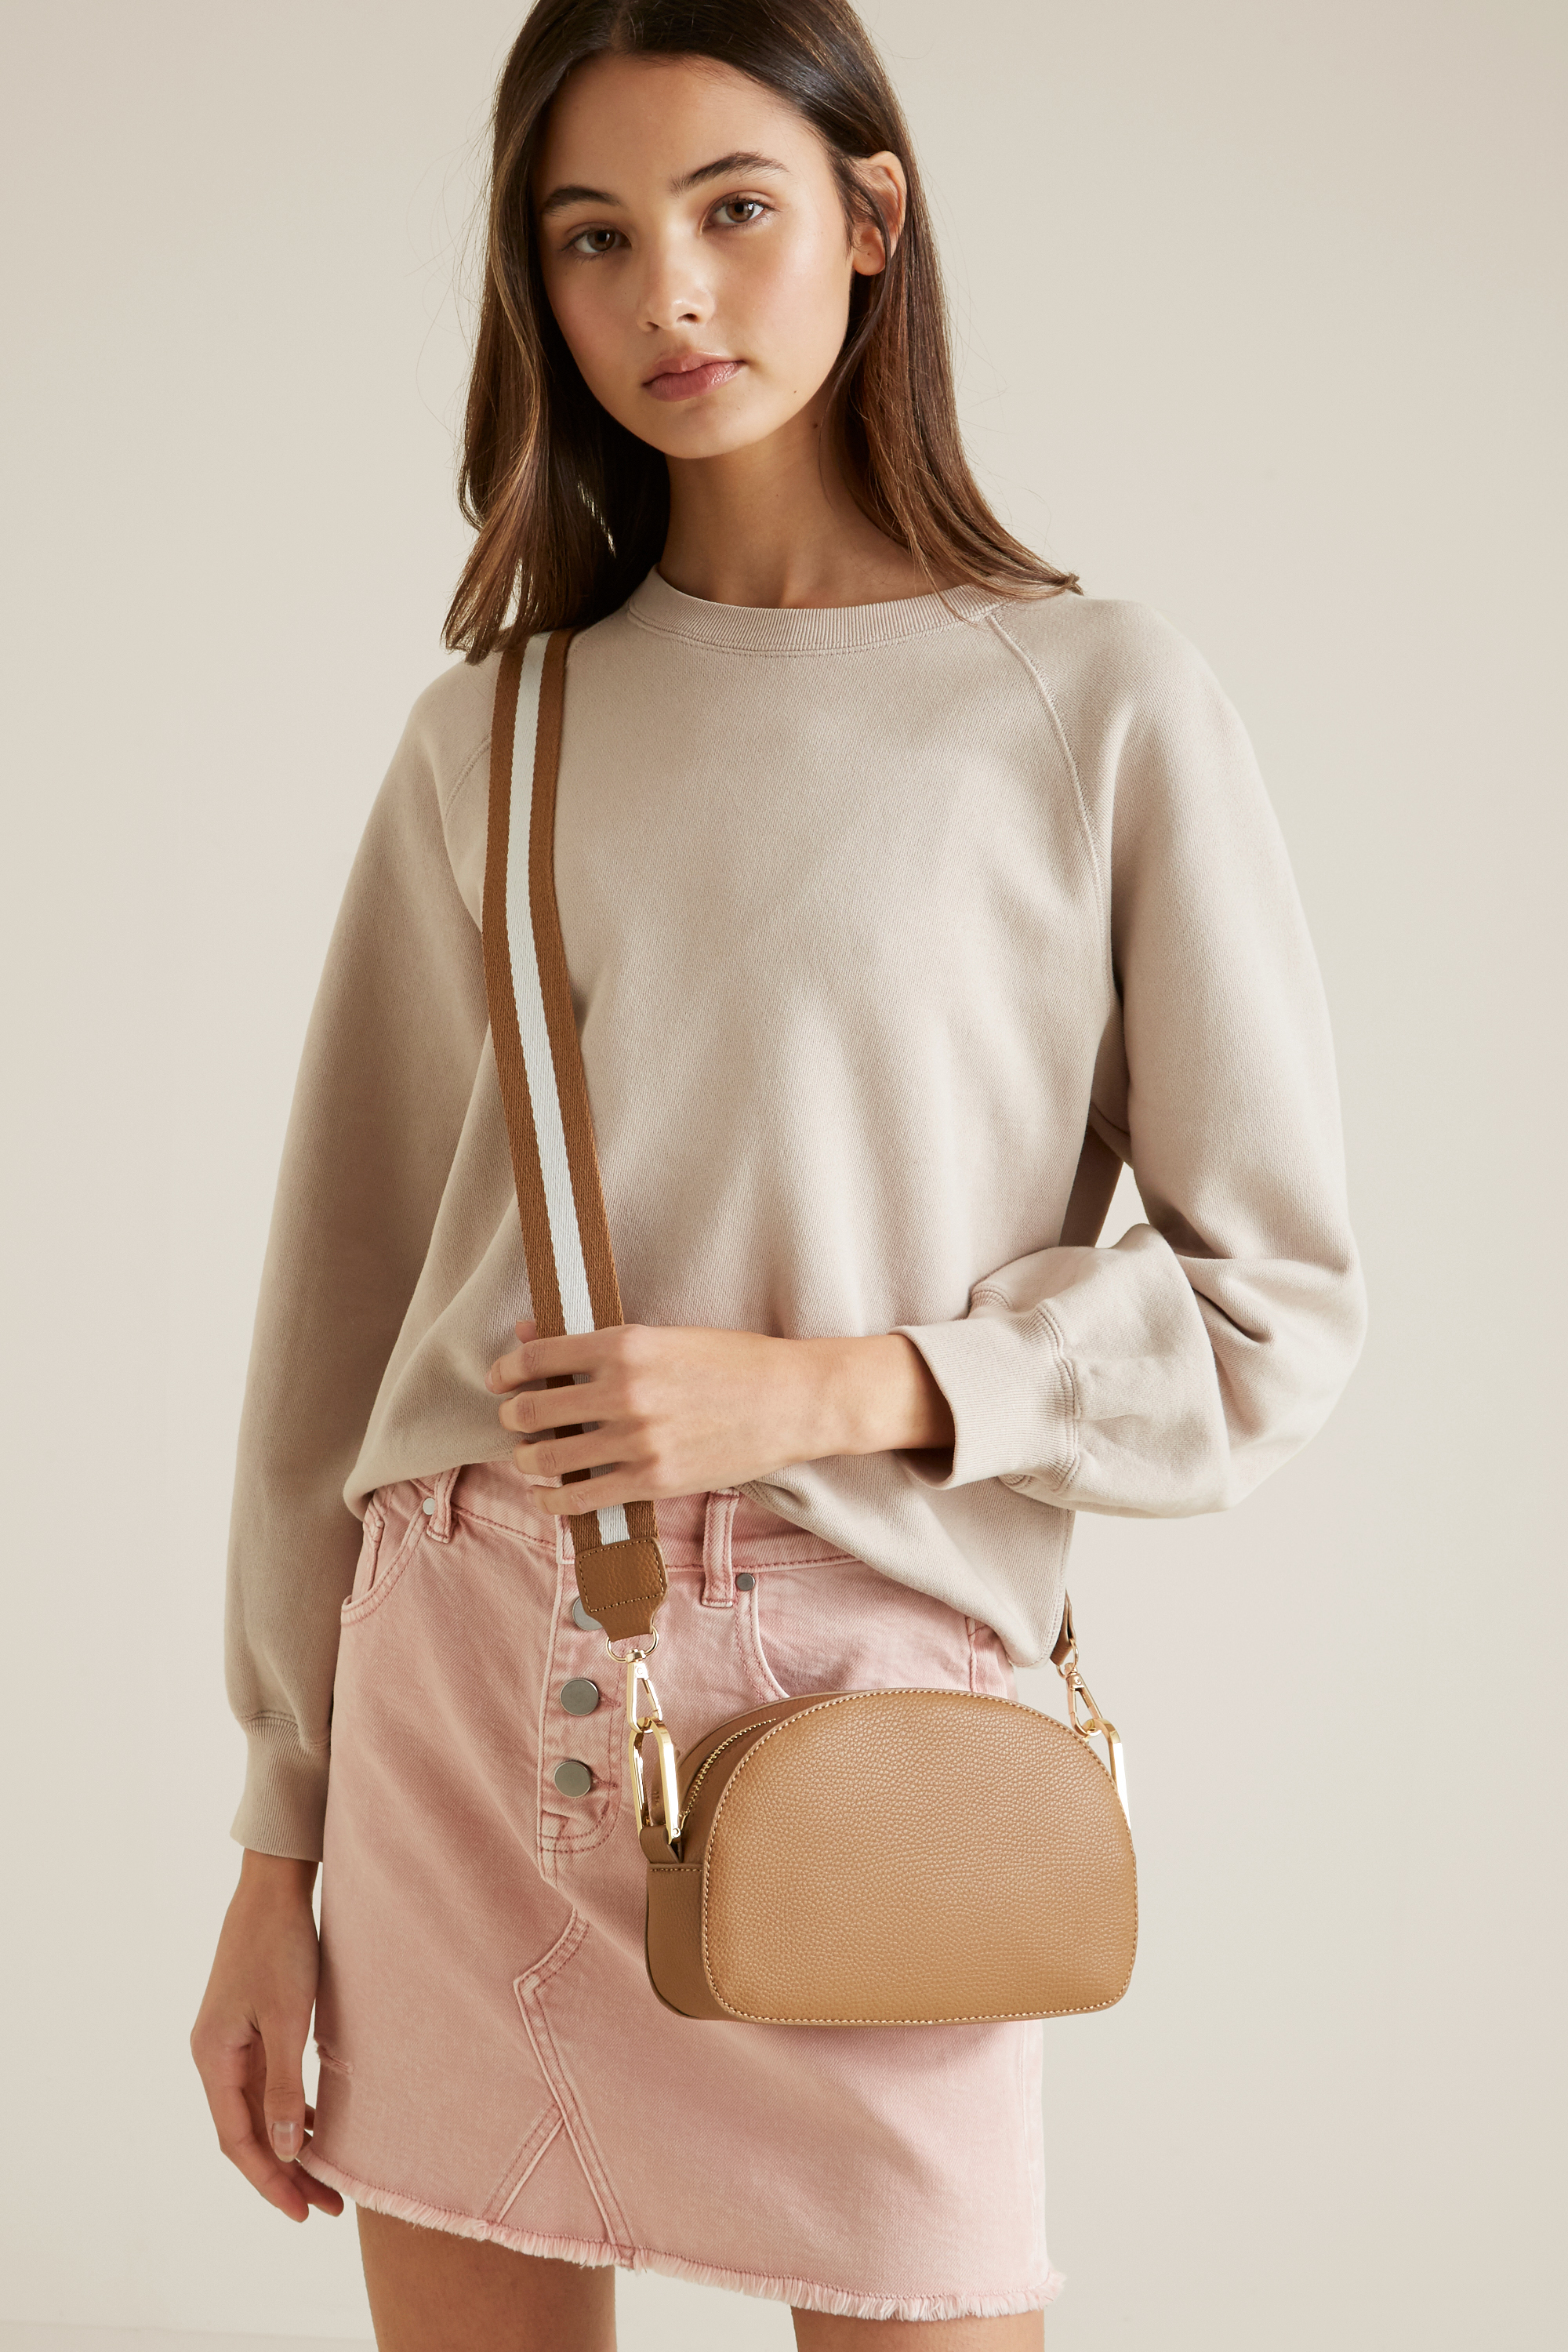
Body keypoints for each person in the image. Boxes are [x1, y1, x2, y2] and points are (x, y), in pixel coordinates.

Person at [190, 2, 1367, 2344]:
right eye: (593, 239)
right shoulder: (495, 732)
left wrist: (837, 1388)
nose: (673, 297)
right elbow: (335, 1320)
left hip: (868, 1719)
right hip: (461, 1703)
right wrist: (272, 1840)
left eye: (735, 209)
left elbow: (1273, 1310)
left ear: (871, 216)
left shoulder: (1096, 702)